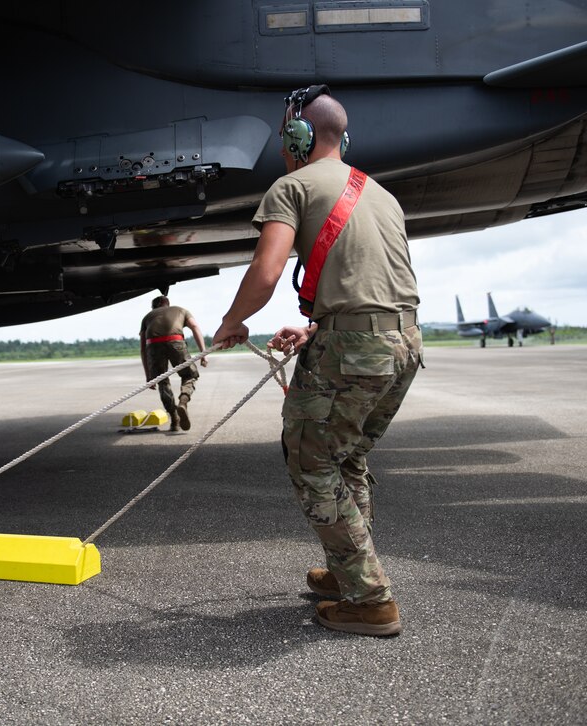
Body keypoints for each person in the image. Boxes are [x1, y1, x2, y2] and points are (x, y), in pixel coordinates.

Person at [212, 85, 423, 636]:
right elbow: (374, 283)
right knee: (346, 455)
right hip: (402, 345)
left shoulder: (291, 185)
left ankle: (370, 600)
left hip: (353, 347)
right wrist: (314, 327)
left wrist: (233, 322)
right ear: (342, 137)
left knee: (312, 460)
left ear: (296, 137)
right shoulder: (380, 192)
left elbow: (267, 270)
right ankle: (346, 573)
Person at [139, 295, 208, 431]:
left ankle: (175, 420)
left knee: (162, 382)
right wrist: (203, 353)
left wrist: (148, 376)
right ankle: (183, 401)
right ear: (167, 304)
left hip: (153, 346)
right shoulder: (181, 310)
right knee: (189, 375)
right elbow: (194, 326)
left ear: (155, 306)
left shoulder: (147, 317)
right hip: (175, 341)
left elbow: (142, 348)